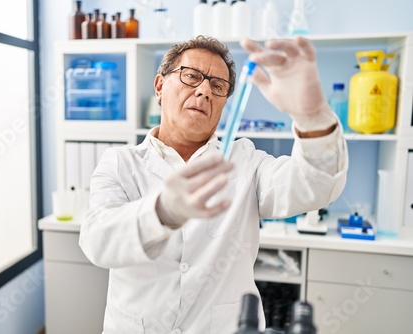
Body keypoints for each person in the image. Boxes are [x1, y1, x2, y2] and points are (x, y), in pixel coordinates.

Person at [79, 35, 348, 333]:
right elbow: (98, 243)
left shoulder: (245, 160)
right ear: (159, 86)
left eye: (217, 86)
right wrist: (161, 212)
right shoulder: (121, 162)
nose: (204, 90)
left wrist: (311, 116)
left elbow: (315, 185)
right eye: (191, 76)